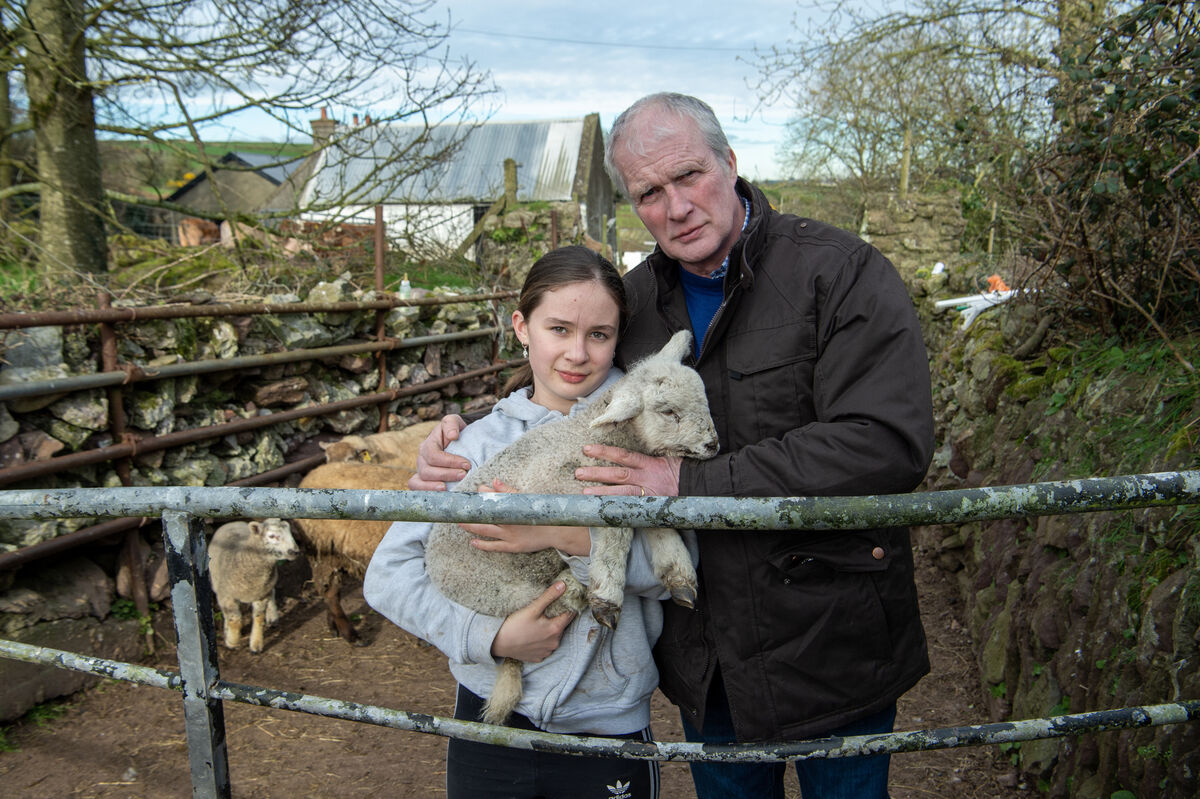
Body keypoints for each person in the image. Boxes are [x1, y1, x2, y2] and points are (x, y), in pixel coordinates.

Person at [411, 93, 935, 799]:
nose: (675, 206)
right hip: (709, 651)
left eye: (688, 175)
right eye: (649, 192)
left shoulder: (838, 275)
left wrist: (686, 485)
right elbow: (572, 388)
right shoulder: (635, 304)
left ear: (730, 163)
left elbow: (886, 442)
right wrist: (463, 433)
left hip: (832, 639)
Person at [363, 245, 672, 799]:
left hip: (606, 717)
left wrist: (567, 537)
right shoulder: (474, 446)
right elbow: (388, 574)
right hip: (489, 713)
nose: (578, 353)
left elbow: (673, 573)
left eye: (599, 335)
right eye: (558, 329)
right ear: (521, 327)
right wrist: (492, 637)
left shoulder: (644, 437)